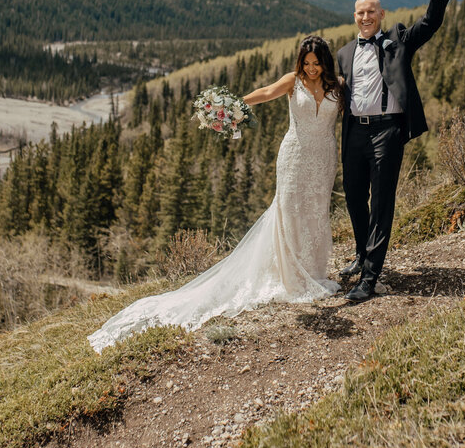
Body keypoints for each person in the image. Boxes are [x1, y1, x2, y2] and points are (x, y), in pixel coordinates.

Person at [88, 36, 342, 352]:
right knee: (289, 211)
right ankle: (291, 277)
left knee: (316, 213)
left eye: (316, 63)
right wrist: (232, 106)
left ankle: (313, 273)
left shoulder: (338, 86)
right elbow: (264, 93)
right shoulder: (293, 81)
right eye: (306, 63)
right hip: (294, 155)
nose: (311, 68)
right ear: (300, 63)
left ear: (326, 63)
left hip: (324, 158)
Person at [336, 0, 449, 302]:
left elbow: (430, 23)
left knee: (382, 202)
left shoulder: (398, 41)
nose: (365, 17)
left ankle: (370, 278)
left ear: (381, 14)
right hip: (354, 130)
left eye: (371, 12)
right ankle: (361, 252)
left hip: (386, 131)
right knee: (355, 199)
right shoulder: (343, 54)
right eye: (359, 13)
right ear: (354, 17)